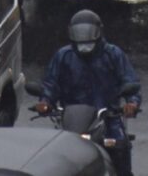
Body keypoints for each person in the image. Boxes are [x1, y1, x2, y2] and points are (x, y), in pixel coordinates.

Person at [39, 10, 141, 176]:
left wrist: (132, 103)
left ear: (99, 32)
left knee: (119, 147)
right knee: (54, 156)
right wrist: (45, 101)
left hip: (108, 118)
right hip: (73, 121)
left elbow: (129, 81)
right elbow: (51, 83)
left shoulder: (113, 54)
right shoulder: (63, 56)